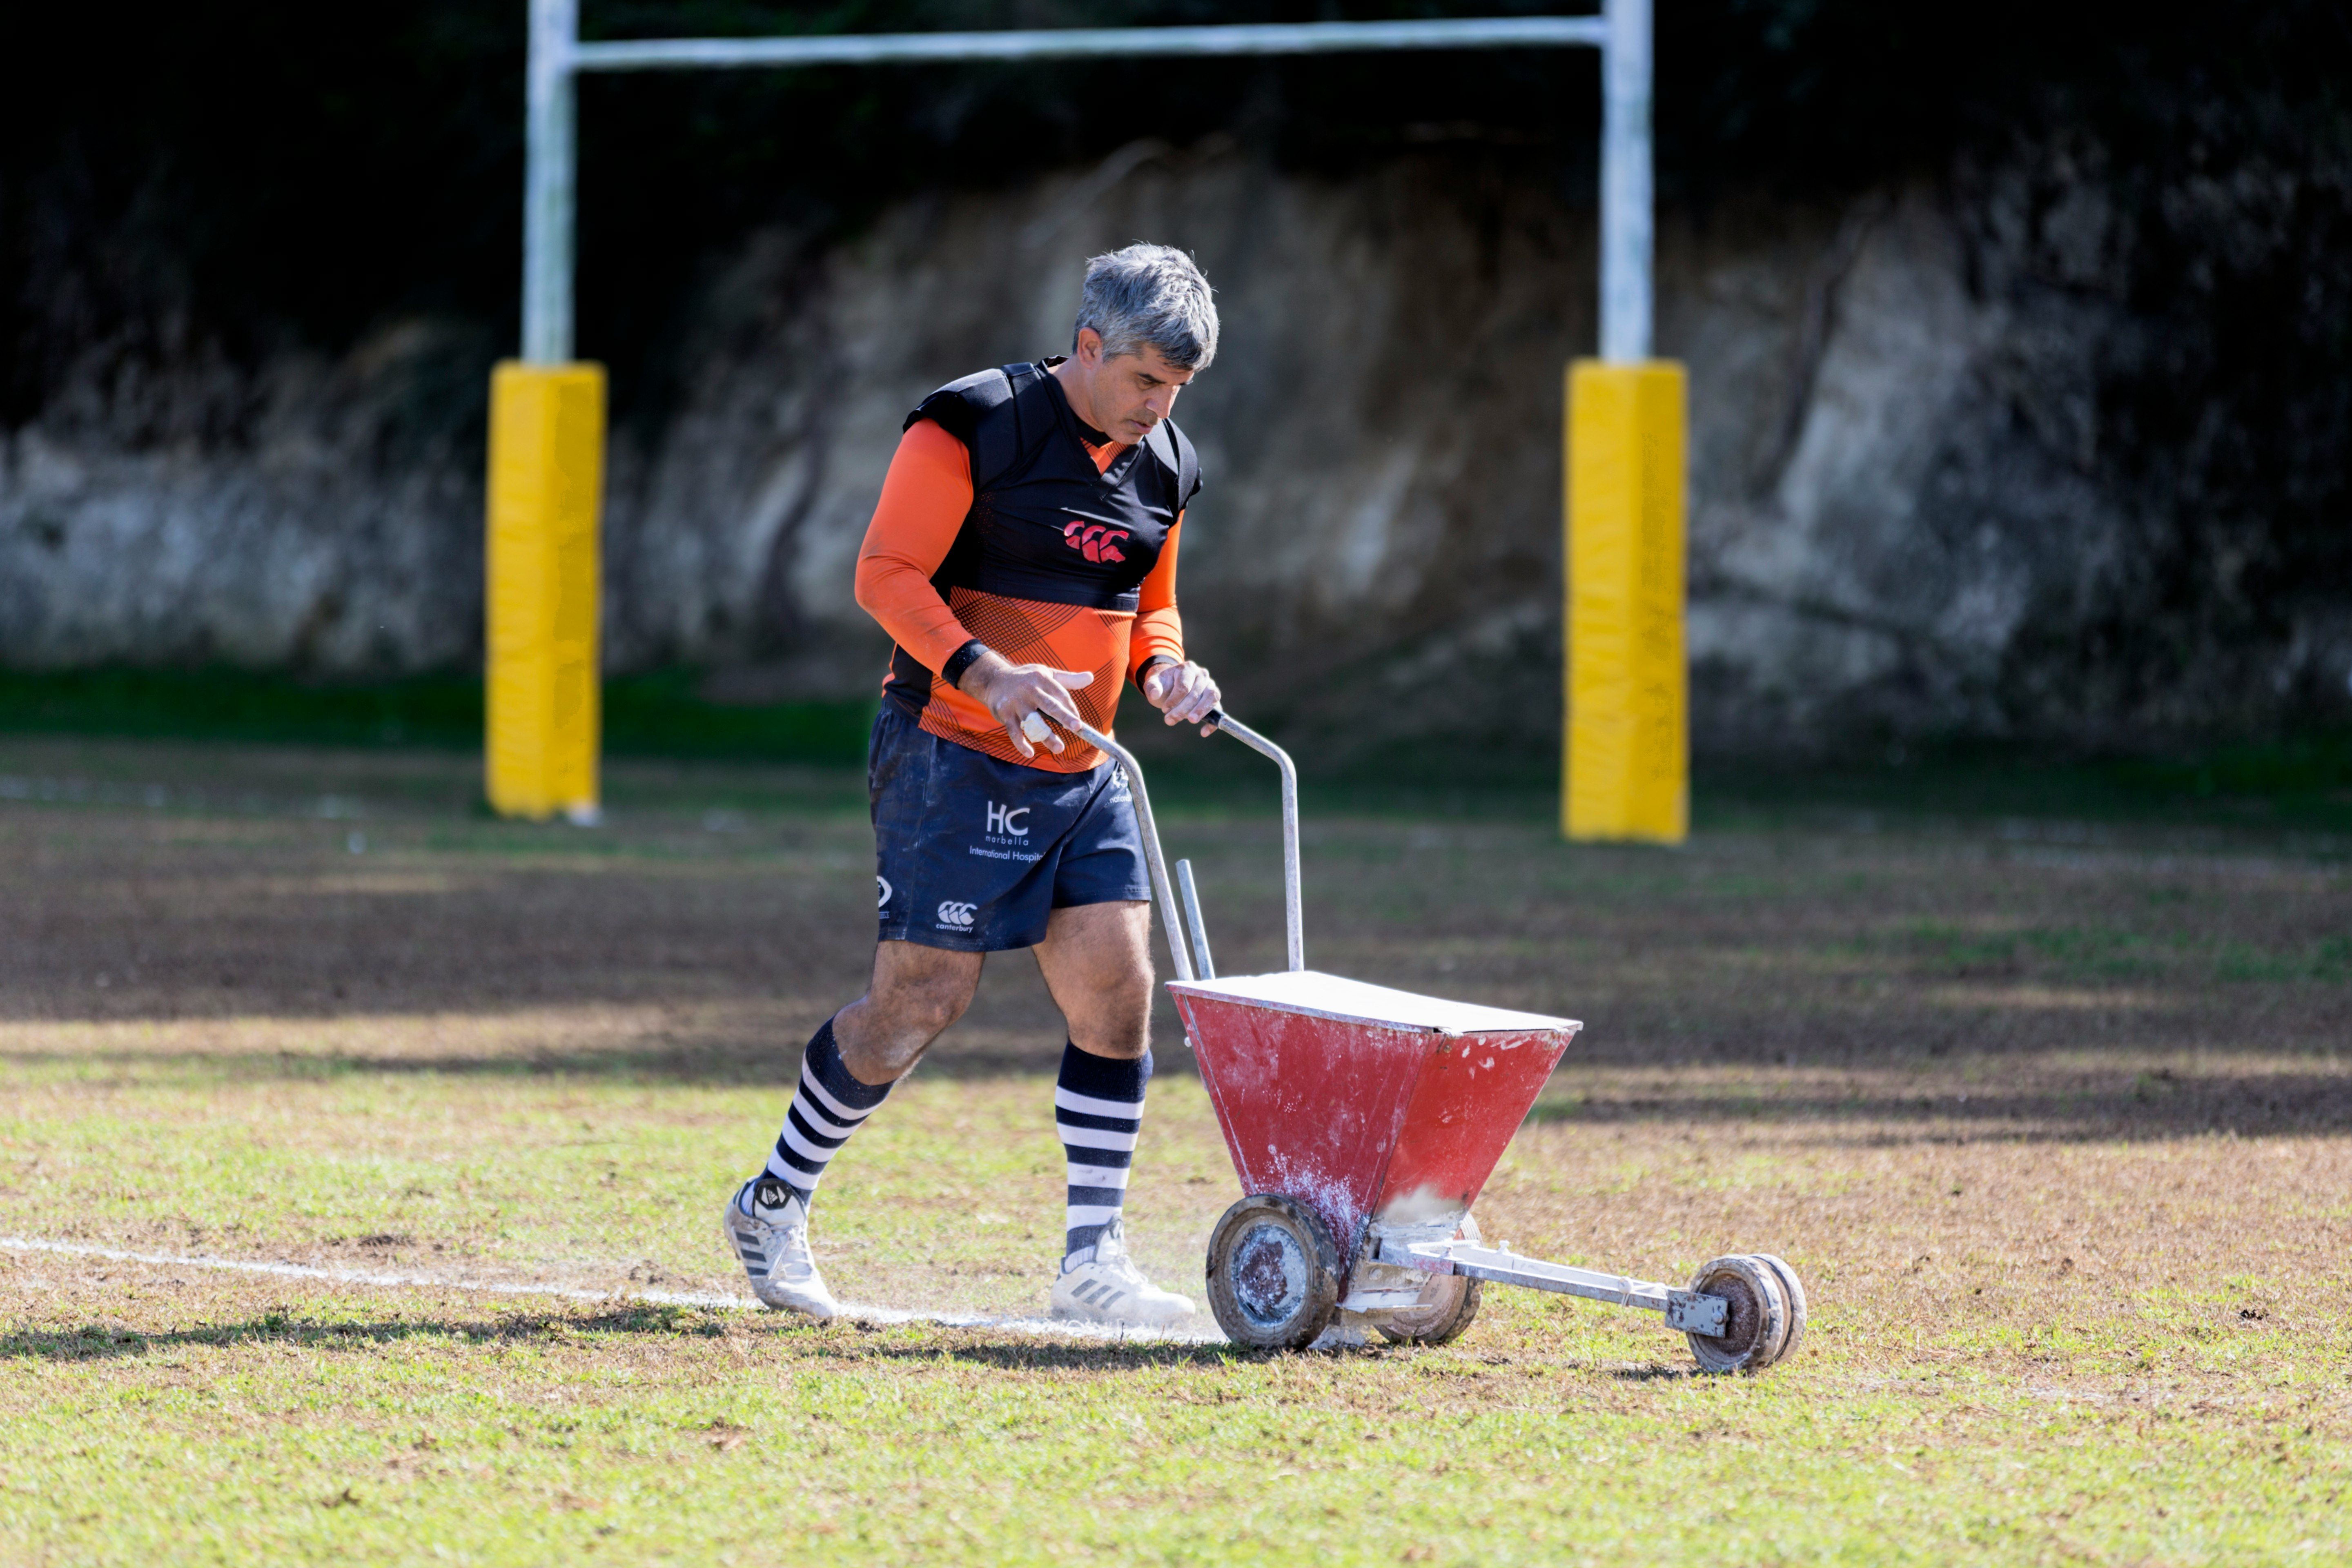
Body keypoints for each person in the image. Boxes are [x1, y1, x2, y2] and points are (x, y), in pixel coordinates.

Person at [721, 244, 1225, 1328]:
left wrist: (1170, 668)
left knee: (1118, 989)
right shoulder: (972, 423)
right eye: (1143, 380)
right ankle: (772, 1202)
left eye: (1178, 390)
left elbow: (1150, 607)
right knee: (919, 1003)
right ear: (1088, 346)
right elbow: (885, 574)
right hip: (949, 749)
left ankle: (1093, 1264)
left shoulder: (1168, 464)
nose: (1158, 406)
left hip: (1085, 767)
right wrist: (987, 674)